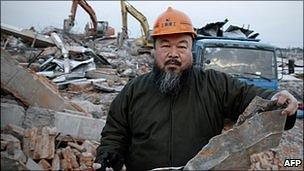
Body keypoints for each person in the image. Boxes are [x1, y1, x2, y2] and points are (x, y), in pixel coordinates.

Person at [94, 7, 298, 171]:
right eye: (165, 46)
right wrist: (108, 157)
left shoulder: (215, 84)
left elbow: (252, 98)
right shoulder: (134, 90)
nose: (173, 53)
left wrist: (279, 99)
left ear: (191, 50)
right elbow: (115, 133)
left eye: (181, 46)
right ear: (154, 50)